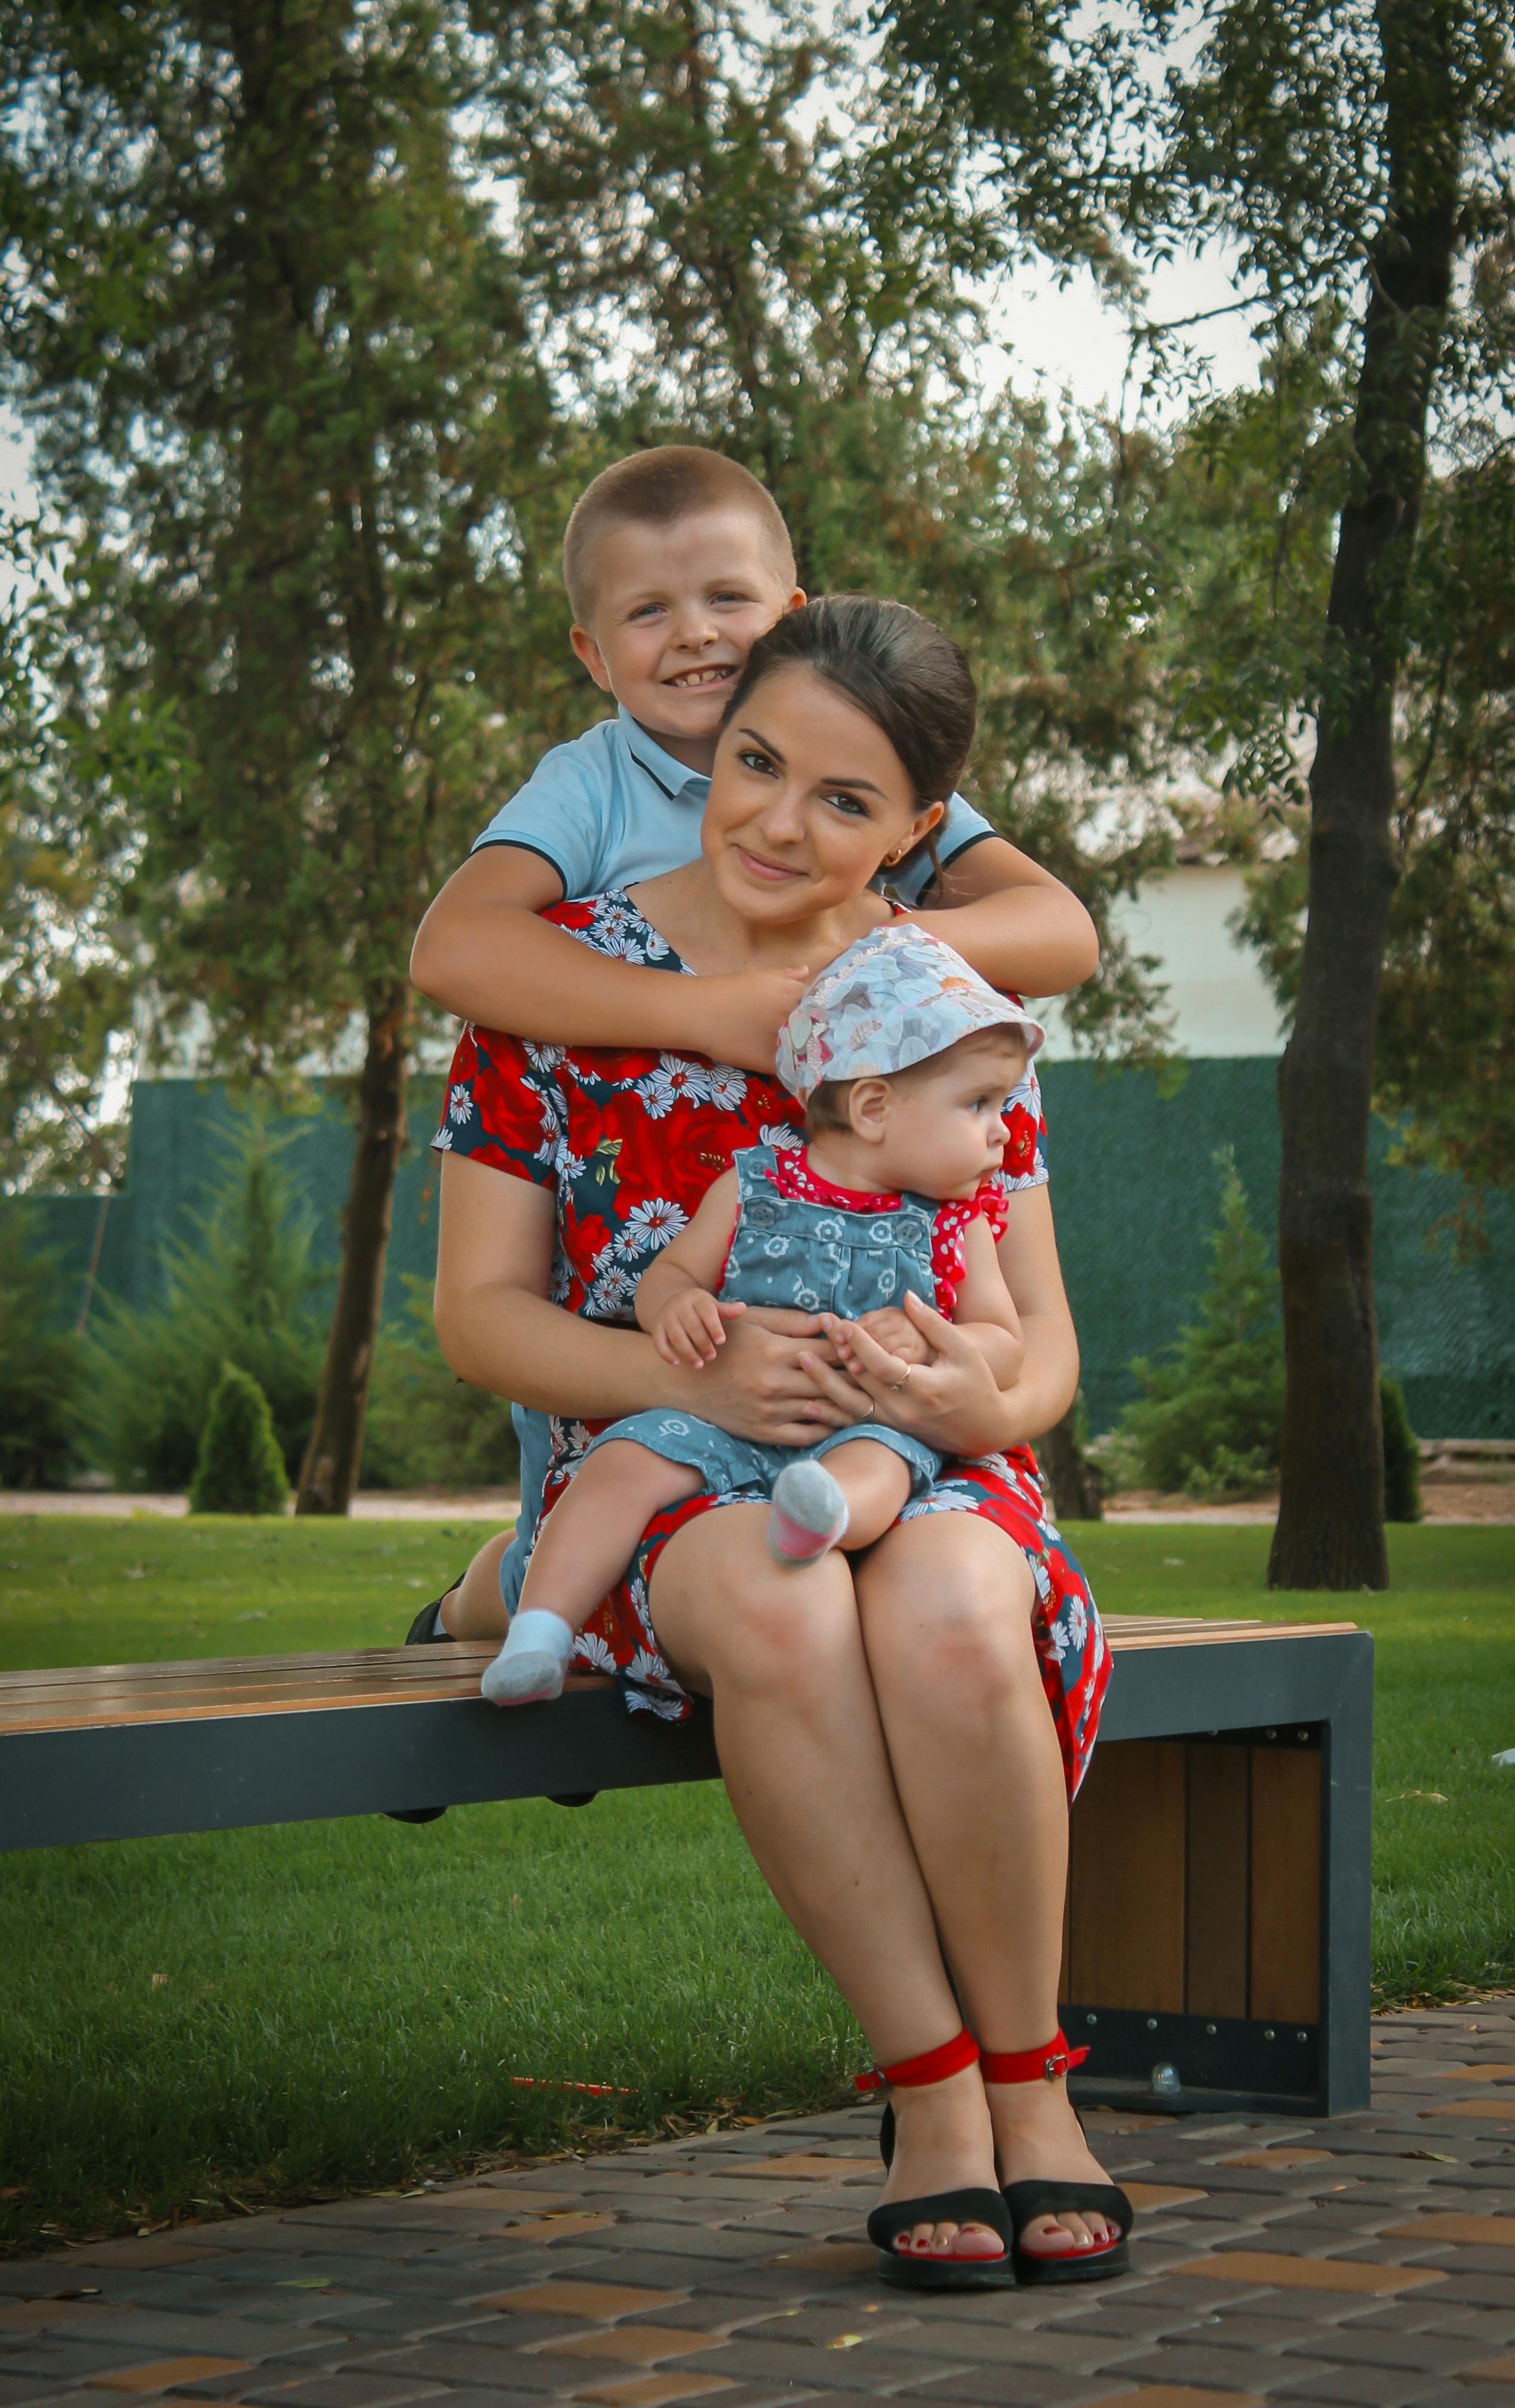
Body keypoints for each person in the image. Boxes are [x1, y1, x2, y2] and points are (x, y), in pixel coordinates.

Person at [430, 596, 1130, 2291]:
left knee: (956, 1602)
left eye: (842, 800)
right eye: (756, 764)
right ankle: (933, 2088)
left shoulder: (953, 1002)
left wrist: (989, 1405)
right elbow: (478, 1318)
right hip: (675, 1473)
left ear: (914, 834)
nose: (776, 821)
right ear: (713, 741)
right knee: (782, 1600)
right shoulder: (560, 989)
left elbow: (1042, 1348)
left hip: (931, 1457)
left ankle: (1036, 2081)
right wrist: (697, 1382)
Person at [405, 443, 1100, 1658]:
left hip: (840, 1361)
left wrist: (874, 963)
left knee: (893, 1584)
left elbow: (1060, 930)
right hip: (651, 1303)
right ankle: (492, 1601)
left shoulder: (859, 736)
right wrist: (705, 1010)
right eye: (648, 611)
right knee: (582, 1522)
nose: (694, 638)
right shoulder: (593, 783)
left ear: (790, 615)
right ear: (592, 653)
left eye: (726, 601)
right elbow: (455, 948)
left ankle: (514, 1591)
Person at [478, 926, 1043, 1707]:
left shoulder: (958, 1222)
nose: (1002, 1131)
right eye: (979, 1103)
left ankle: (819, 1521)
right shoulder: (756, 1184)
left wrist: (933, 1340)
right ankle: (537, 1636)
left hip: (867, 1420)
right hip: (723, 1417)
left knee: (878, 1469)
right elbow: (672, 1272)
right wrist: (678, 1307)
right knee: (620, 1465)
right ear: (874, 1107)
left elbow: (1007, 1345)